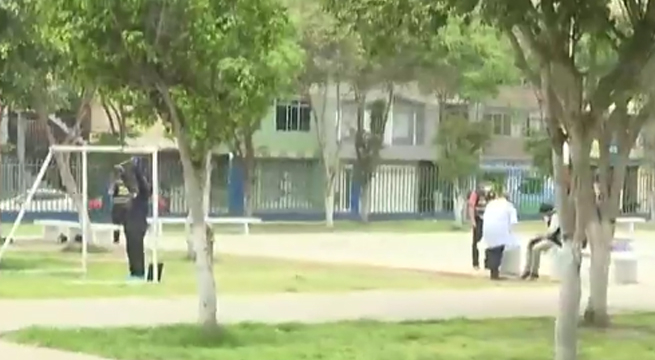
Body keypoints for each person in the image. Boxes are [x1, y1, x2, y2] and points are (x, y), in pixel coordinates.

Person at [123, 157, 151, 280]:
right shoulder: (134, 196)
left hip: (138, 226)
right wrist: (123, 174)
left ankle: (139, 273)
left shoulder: (143, 195)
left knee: (137, 250)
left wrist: (136, 170)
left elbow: (142, 183)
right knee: (130, 250)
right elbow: (129, 184)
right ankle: (133, 272)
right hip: (130, 226)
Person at [481, 191, 518, 280]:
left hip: (487, 229)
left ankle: (492, 271)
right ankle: (495, 273)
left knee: (491, 248)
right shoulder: (509, 206)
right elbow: (513, 222)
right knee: (498, 250)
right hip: (500, 231)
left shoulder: (491, 204)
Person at [521, 203, 561, 280]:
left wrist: (541, 236)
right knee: (530, 244)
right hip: (550, 239)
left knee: (536, 248)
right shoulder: (548, 218)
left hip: (556, 241)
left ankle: (534, 273)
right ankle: (527, 269)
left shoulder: (556, 217)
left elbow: (551, 232)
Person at [467, 181, 494, 270]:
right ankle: (475, 263)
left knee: (490, 242)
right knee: (475, 242)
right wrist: (473, 221)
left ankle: (488, 263)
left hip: (488, 220)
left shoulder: (491, 195)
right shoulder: (475, 194)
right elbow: (471, 206)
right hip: (478, 219)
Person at [110, 165, 131, 244]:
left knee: (116, 224)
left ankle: (116, 240)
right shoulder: (127, 183)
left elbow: (111, 192)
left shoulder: (115, 183)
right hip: (126, 206)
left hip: (118, 206)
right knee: (127, 224)